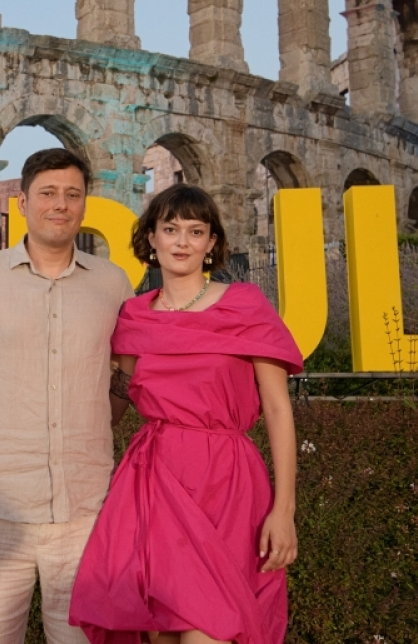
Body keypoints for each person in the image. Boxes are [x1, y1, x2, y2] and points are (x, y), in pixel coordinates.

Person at [68, 185, 303, 644]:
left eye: (195, 231)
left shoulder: (245, 306)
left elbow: (278, 410)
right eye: (171, 229)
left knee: (211, 626)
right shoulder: (134, 315)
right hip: (153, 481)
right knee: (159, 632)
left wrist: (284, 509)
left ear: (211, 242)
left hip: (228, 485)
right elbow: (117, 401)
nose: (182, 242)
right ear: (151, 238)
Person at [0, 149, 134, 644]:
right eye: (48, 193)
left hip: (85, 516)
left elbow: (125, 372)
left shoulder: (112, 284)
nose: (60, 204)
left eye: (73, 194)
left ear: (84, 204)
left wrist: (97, 417)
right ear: (22, 203)